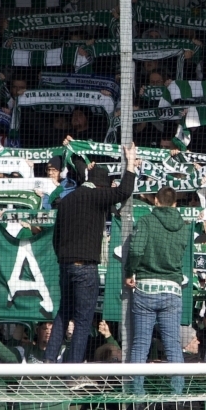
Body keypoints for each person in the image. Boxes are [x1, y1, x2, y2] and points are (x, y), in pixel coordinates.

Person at [46, 141, 139, 364]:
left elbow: (55, 238)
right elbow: (124, 191)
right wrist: (131, 165)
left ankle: (48, 361)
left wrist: (64, 259)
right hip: (85, 267)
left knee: (63, 314)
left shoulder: (66, 200)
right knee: (83, 320)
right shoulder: (96, 195)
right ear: (101, 186)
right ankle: (72, 370)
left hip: (65, 266)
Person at [124, 186, 191, 392]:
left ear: (155, 201)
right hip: (172, 290)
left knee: (140, 344)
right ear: (175, 204)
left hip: (145, 288)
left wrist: (129, 272)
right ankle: (177, 394)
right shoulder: (184, 227)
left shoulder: (146, 221)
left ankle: (137, 395)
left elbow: (136, 250)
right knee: (173, 345)